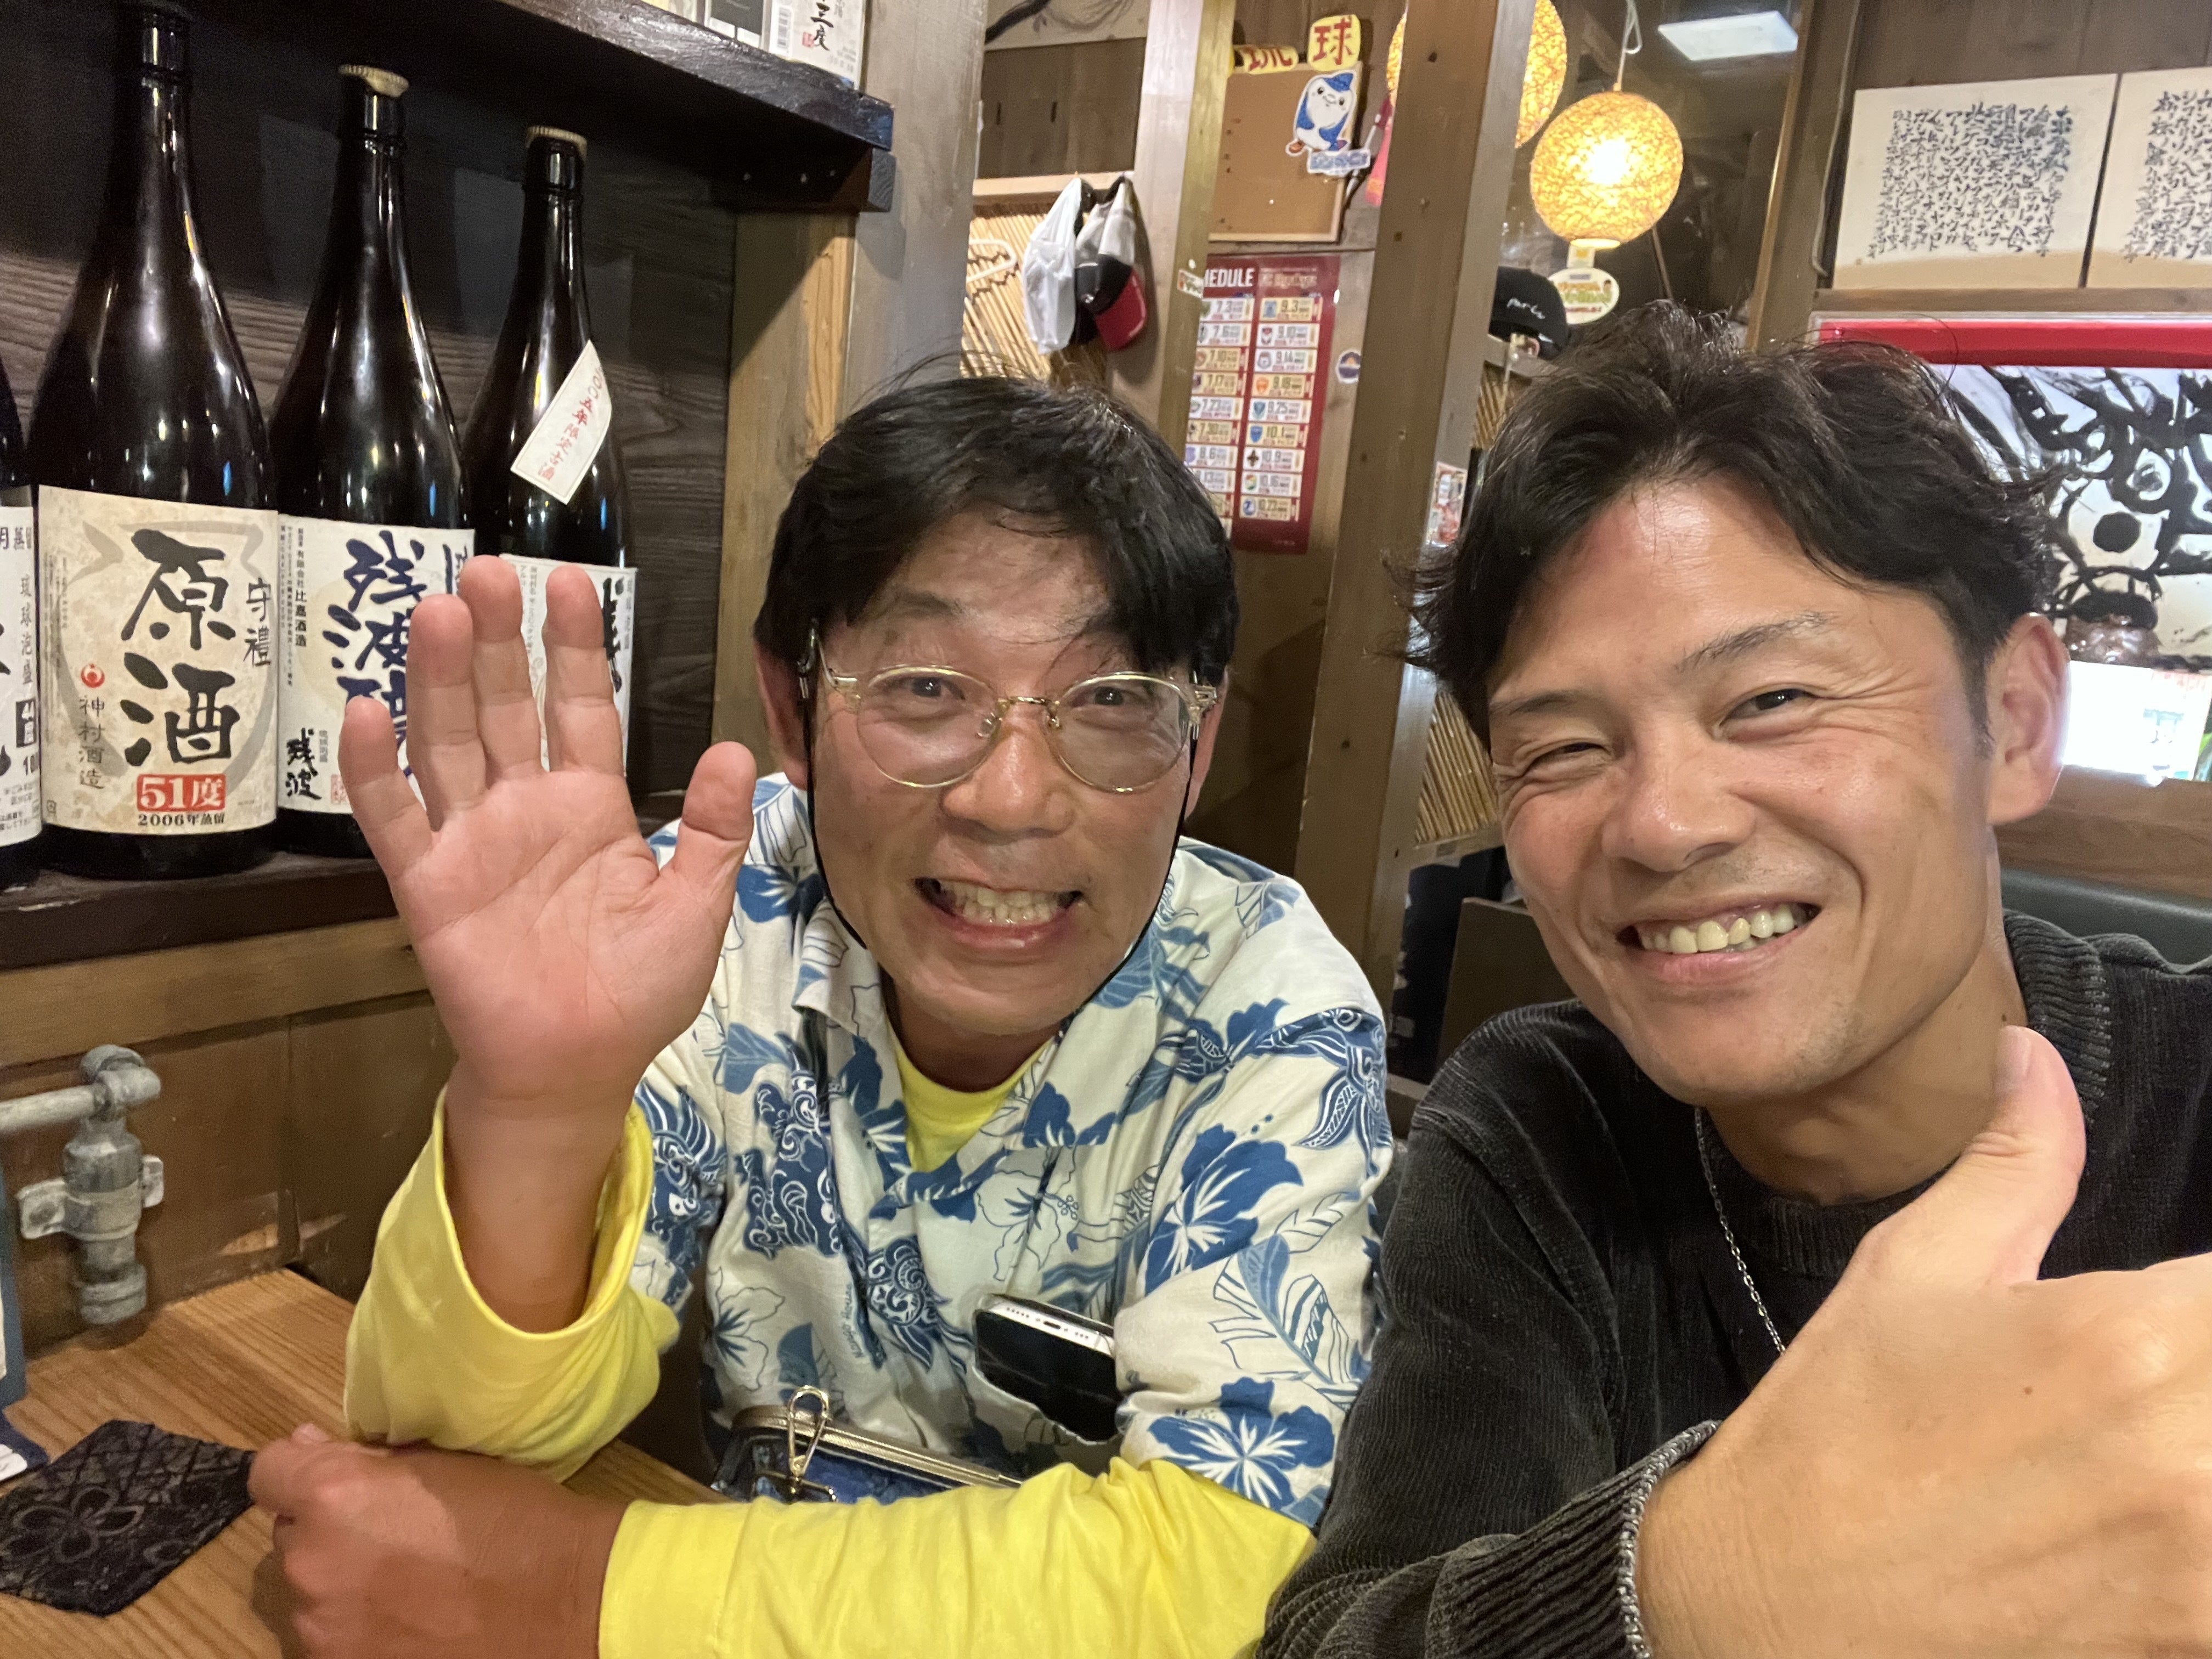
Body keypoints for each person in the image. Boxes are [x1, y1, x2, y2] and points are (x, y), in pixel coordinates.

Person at [249, 377, 1390, 1658]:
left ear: (1197, 744)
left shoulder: (1268, 1011)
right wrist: (537, 1113)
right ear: (793, 709)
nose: (1011, 798)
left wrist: (575, 1594)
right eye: (925, 686)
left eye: (1113, 700)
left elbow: (1223, 1569)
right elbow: (455, 1452)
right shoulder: (711, 918)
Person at [1263, 304, 2212, 1659]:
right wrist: (1715, 1580)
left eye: (1771, 701)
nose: (1663, 824)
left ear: (2013, 720)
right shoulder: (1543, 1131)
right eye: (1566, 749)